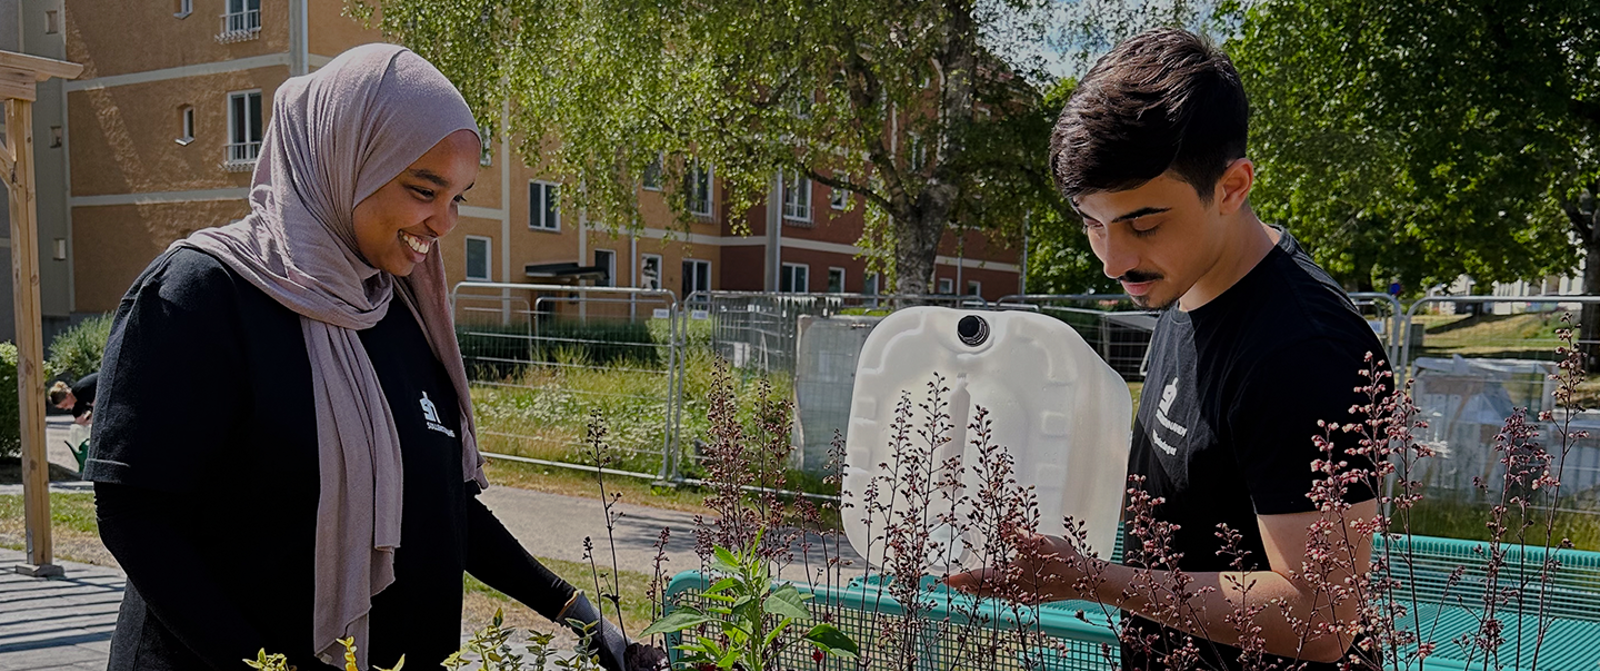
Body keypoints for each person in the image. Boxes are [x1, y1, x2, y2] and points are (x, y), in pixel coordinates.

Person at [84, 44, 627, 671]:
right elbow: (135, 513)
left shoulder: (393, 307)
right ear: (341, 162)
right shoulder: (201, 294)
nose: (445, 222)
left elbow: (440, 507)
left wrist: (580, 617)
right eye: (425, 189)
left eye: (459, 197)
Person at [947, 29, 1383, 670]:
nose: (1113, 260)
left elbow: (1320, 616)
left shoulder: (1302, 351)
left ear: (1232, 187)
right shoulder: (1186, 285)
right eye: (1092, 222)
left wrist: (1091, 579)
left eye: (1144, 223)